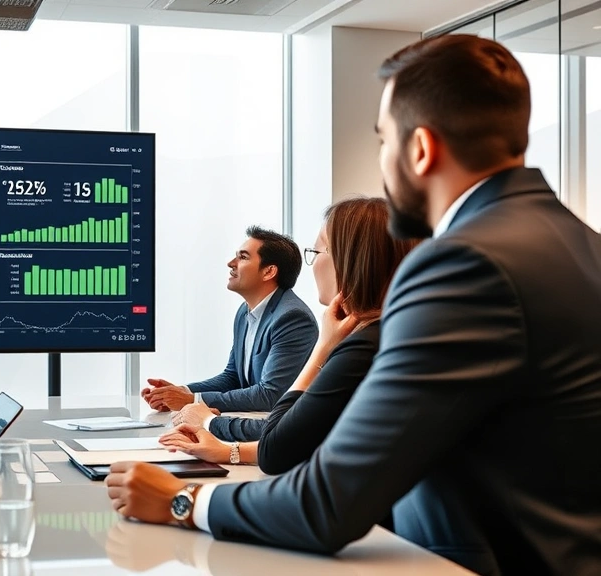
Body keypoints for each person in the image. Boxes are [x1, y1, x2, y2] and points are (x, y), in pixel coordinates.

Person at [105, 35, 601, 576]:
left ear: (419, 149)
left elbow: (330, 502)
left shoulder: (463, 265)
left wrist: (182, 502)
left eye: (384, 141)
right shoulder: (584, 245)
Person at [160, 198, 418, 473]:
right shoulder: (394, 335)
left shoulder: (358, 345)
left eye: (316, 251)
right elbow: (311, 438)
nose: (313, 264)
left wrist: (205, 418)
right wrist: (188, 396)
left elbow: (278, 436)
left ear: (348, 261)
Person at [142, 227, 318, 413]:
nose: (231, 263)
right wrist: (179, 393)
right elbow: (232, 377)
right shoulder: (245, 312)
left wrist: (191, 400)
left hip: (277, 432)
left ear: (269, 272)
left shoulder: (293, 318)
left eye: (243, 257)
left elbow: (270, 395)